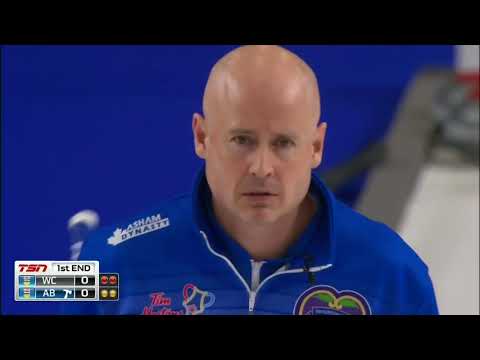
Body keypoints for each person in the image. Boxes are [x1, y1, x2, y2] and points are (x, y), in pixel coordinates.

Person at [65, 45, 438, 315]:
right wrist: (66, 283)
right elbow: (35, 285)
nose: (262, 167)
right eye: (241, 140)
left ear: (316, 145)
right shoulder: (111, 259)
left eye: (284, 143)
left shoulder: (395, 274)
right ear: (201, 137)